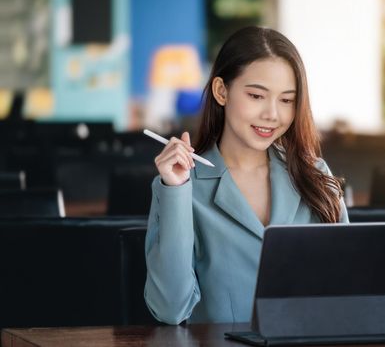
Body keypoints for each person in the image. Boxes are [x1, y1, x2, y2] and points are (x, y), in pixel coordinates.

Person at [145, 26, 349, 325]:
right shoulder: (182, 186)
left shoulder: (314, 174)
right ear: (221, 91)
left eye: (287, 100)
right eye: (256, 95)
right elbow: (170, 310)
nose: (272, 114)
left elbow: (350, 289)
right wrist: (176, 191)